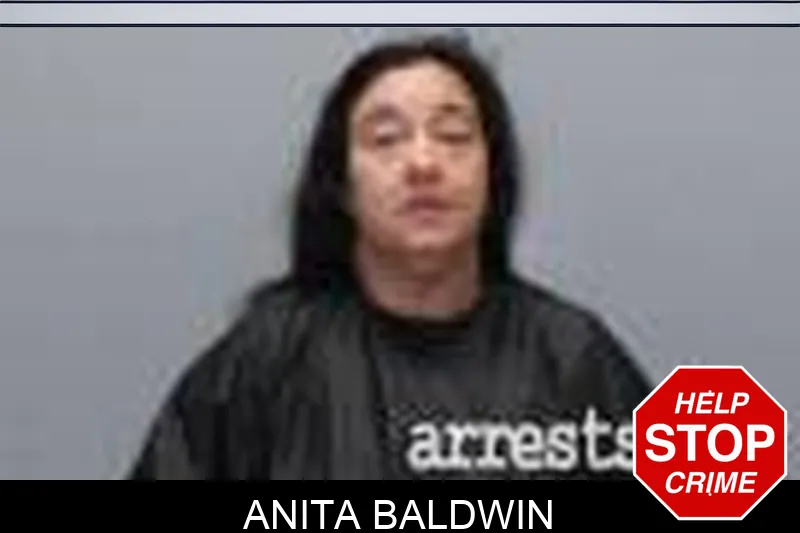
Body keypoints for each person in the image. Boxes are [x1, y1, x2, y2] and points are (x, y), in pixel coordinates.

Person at [127, 34, 652, 481]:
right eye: (386, 139)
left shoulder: (572, 355)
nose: (423, 163)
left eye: (453, 136)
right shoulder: (269, 360)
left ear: (493, 176)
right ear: (342, 187)